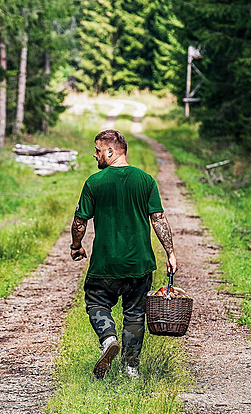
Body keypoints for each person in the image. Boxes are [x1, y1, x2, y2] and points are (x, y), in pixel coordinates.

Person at [70, 129, 178, 379]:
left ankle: (108, 339)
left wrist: (76, 245)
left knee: (97, 302)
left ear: (111, 151)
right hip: (139, 263)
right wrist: (170, 252)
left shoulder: (94, 183)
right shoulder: (146, 180)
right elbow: (158, 219)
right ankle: (130, 368)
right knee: (135, 313)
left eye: (98, 150)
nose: (94, 154)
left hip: (105, 264)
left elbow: (79, 221)